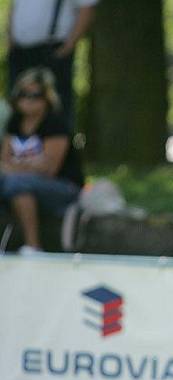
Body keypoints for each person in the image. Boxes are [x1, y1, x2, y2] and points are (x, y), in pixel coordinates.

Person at [0, 68, 84, 254]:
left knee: (16, 183)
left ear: (47, 96)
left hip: (64, 188)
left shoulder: (55, 124)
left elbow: (49, 168)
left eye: (35, 94)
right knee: (13, 182)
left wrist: (15, 167)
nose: (28, 99)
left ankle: (33, 245)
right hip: (26, 182)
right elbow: (3, 161)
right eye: (23, 93)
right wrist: (27, 165)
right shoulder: (14, 123)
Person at [7, 0, 98, 128]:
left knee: (55, 109)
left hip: (52, 51)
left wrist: (67, 47)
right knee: (19, 107)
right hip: (19, 52)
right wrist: (10, 42)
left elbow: (87, 7)